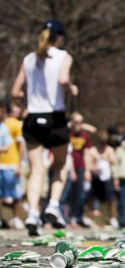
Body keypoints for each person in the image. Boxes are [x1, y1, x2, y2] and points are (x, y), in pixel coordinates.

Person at [10, 20, 78, 236]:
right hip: (55, 117)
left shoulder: (28, 59)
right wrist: (71, 88)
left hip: (32, 118)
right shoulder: (63, 56)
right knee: (59, 165)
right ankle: (53, 205)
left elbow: (14, 92)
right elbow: (63, 79)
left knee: (36, 169)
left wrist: (24, 98)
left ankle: (32, 214)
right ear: (59, 37)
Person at [62, 112, 92, 228]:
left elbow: (87, 153)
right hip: (68, 167)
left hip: (81, 167)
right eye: (76, 122)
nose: (79, 124)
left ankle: (78, 217)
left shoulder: (85, 135)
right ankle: (67, 218)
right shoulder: (67, 134)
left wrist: (87, 171)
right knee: (68, 194)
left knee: (80, 194)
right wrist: (72, 170)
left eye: (81, 122)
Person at [0, 103, 26, 229]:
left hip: (11, 163)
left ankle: (16, 218)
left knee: (15, 194)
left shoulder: (15, 124)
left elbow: (19, 145)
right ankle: (2, 219)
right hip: (2, 164)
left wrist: (19, 164)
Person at [86, 131, 117, 228]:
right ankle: (89, 218)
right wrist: (93, 166)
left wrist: (106, 158)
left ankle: (112, 218)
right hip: (96, 177)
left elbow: (114, 161)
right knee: (92, 197)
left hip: (107, 178)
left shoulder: (109, 150)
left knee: (111, 198)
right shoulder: (92, 150)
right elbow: (88, 164)